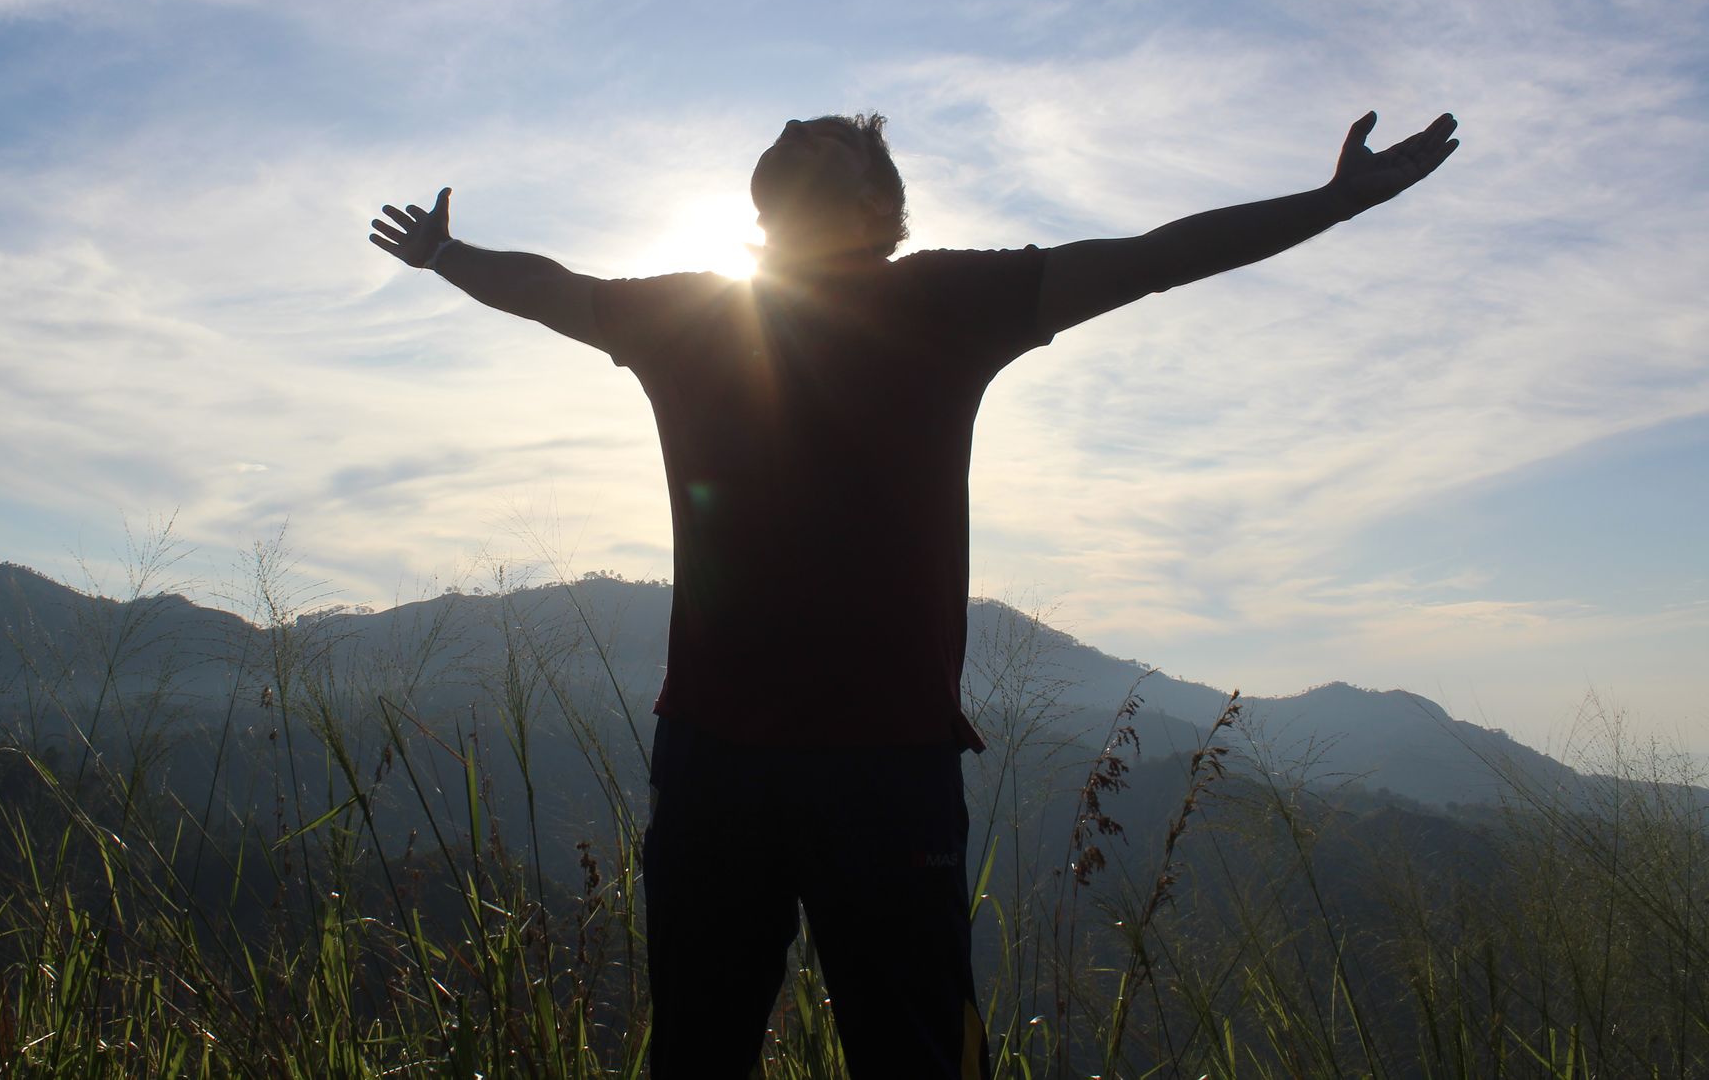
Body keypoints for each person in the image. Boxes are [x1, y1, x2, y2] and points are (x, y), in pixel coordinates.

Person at [369, 108, 1459, 1077]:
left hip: (878, 767)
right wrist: (448, 254)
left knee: (915, 1052)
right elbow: (554, 290)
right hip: (718, 763)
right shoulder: (688, 313)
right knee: (700, 1047)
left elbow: (1152, 259)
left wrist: (1331, 204)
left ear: (876, 203)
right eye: (792, 140)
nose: (802, 135)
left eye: (832, 145)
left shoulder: (944, 299)